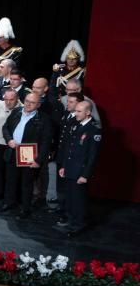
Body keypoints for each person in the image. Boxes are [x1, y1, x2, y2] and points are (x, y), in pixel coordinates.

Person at [0, 92, 52, 219]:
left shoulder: (44, 119)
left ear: (38, 105)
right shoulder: (17, 111)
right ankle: (9, 202)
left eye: (32, 102)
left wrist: (38, 160)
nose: (28, 104)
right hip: (12, 151)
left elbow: (46, 142)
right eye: (27, 100)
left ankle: (25, 208)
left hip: (29, 154)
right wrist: (9, 140)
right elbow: (5, 128)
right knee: (11, 180)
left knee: (26, 183)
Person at [57, 99, 101, 235]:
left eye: (79, 111)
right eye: (76, 110)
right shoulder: (75, 126)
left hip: (80, 171)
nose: (75, 114)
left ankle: (79, 224)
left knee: (78, 200)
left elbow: (92, 156)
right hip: (70, 168)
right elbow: (68, 149)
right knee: (69, 198)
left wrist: (85, 175)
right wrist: (64, 166)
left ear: (88, 113)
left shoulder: (93, 131)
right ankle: (71, 221)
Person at [0, 89, 21, 206]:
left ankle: (9, 199)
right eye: (6, 99)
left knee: (10, 174)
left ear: (17, 99)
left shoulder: (22, 108)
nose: (8, 102)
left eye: (11, 100)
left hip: (11, 146)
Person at [51, 91, 82, 220]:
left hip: (70, 159)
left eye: (71, 102)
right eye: (67, 101)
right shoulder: (66, 115)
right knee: (60, 184)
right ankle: (61, 206)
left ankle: (68, 211)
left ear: (79, 103)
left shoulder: (79, 120)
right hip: (61, 155)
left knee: (69, 187)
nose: (67, 104)